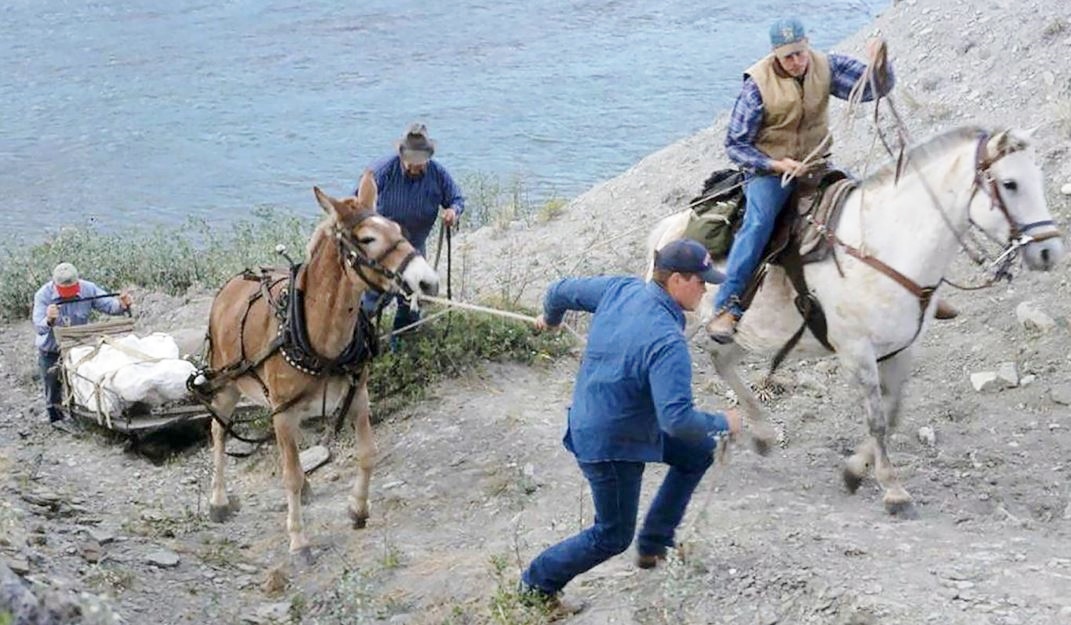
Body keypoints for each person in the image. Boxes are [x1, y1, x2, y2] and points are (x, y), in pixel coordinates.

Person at [519, 239, 743, 615]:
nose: (705, 288)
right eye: (700, 281)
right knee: (611, 535)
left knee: (697, 451)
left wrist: (552, 318)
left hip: (620, 421)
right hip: (610, 443)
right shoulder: (667, 341)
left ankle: (655, 543)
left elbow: (557, 290)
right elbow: (677, 419)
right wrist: (723, 422)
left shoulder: (620, 289)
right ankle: (536, 585)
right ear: (675, 281)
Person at [708, 18, 954, 343]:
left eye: (799, 53)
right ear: (775, 56)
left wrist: (880, 64)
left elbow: (873, 88)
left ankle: (918, 290)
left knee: (869, 206)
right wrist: (774, 163)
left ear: (807, 43)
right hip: (769, 172)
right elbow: (735, 145)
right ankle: (728, 306)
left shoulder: (828, 66)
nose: (796, 62)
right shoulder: (757, 85)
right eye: (787, 57)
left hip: (816, 165)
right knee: (757, 225)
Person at [359, 122, 465, 349]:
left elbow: (456, 199)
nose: (416, 166)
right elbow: (358, 207)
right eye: (412, 161)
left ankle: (402, 347)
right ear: (401, 155)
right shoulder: (382, 172)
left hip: (415, 247)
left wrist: (452, 212)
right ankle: (362, 344)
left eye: (421, 161)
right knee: (372, 301)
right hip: (384, 252)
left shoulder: (437, 174)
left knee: (411, 301)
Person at [31, 262, 132, 428]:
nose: (69, 295)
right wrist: (49, 319)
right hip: (51, 349)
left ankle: (83, 418)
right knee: (52, 386)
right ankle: (56, 421)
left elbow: (109, 306)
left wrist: (122, 304)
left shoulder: (88, 288)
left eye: (72, 289)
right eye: (65, 291)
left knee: (83, 382)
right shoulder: (43, 295)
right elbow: (39, 327)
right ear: (55, 284)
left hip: (78, 348)